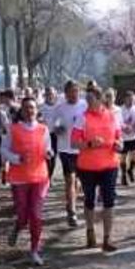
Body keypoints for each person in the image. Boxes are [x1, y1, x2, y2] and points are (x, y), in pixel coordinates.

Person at [1, 96, 54, 265]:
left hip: (40, 176)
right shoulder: (13, 129)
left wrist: (49, 154)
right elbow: (3, 149)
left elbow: (48, 148)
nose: (30, 111)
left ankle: (34, 249)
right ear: (22, 111)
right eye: (26, 108)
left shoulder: (43, 129)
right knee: (23, 216)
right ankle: (17, 227)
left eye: (32, 108)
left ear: (36, 110)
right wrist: (16, 158)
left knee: (36, 214)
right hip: (20, 179)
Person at [71, 83, 123, 252]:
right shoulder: (82, 117)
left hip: (109, 164)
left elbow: (119, 137)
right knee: (90, 200)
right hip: (88, 166)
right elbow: (74, 143)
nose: (87, 102)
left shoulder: (112, 116)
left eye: (91, 99)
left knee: (109, 201)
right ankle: (90, 231)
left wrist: (118, 145)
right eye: (86, 99)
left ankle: (107, 239)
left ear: (100, 99)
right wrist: (89, 143)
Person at [49, 79, 88, 226]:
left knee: (78, 182)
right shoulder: (60, 108)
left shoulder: (85, 105)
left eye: (76, 91)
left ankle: (70, 201)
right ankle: (72, 212)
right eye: (70, 92)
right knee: (70, 180)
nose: (73, 94)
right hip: (65, 148)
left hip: (81, 148)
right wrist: (58, 129)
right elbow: (52, 126)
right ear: (65, 94)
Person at [118, 90, 135, 187]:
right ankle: (123, 175)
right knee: (123, 158)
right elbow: (118, 121)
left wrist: (134, 128)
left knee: (134, 158)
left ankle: (130, 170)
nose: (131, 101)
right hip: (123, 137)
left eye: (133, 100)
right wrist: (124, 128)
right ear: (125, 99)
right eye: (129, 99)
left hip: (134, 136)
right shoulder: (120, 110)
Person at [39, 86, 60, 183]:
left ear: (55, 95)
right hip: (44, 136)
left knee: (54, 157)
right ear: (45, 96)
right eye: (48, 94)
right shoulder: (41, 107)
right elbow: (38, 120)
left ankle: (49, 177)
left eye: (51, 94)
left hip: (55, 135)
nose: (50, 96)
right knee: (47, 157)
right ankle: (46, 177)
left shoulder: (58, 107)